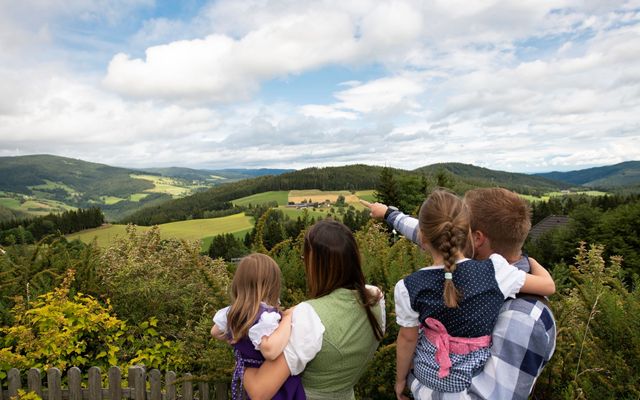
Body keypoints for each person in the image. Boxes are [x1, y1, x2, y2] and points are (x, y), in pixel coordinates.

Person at [364, 187, 557, 399]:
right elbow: (433, 233)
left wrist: (413, 383)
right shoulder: (492, 271)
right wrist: (390, 214)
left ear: (475, 238)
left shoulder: (524, 317)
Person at [242, 219, 386, 400]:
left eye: (305, 259)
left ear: (317, 265)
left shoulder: (308, 317)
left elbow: (259, 391)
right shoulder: (374, 298)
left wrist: (242, 357)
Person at [211, 253, 305, 400]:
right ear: (271, 285)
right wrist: (287, 319)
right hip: (273, 382)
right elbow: (270, 351)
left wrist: (235, 335)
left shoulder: (232, 312)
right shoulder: (266, 318)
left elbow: (215, 332)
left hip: (249, 376)